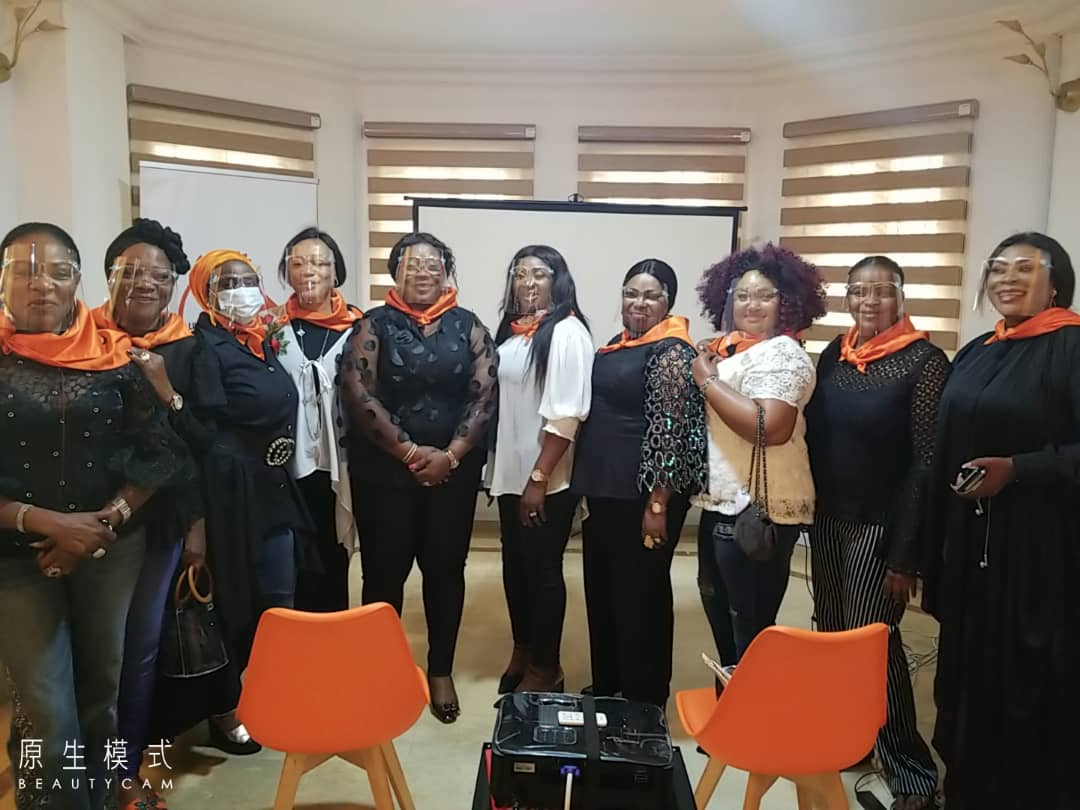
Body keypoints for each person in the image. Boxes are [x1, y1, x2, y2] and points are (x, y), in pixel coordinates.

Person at [0, 222, 188, 810]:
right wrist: (50, 524)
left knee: (102, 688)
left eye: (58, 272)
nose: (42, 284)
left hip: (111, 549)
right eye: (25, 271)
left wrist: (104, 521)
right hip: (17, 559)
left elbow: (161, 454)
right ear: (2, 282)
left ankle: (104, 795)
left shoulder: (114, 357)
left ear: (78, 282)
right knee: (45, 703)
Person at [921, 233, 1080, 810]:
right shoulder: (978, 350)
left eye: (1024, 268)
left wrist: (1019, 469)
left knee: (1028, 677)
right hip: (970, 543)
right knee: (968, 670)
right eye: (998, 269)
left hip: (1040, 550)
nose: (1007, 279)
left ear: (1055, 282)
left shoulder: (1071, 347)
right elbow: (942, 447)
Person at [805, 255, 946, 810]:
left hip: (882, 527)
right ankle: (852, 739)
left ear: (901, 296)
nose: (869, 301)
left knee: (873, 647)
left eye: (882, 290)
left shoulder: (924, 362)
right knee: (832, 637)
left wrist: (906, 555)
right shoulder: (833, 356)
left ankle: (913, 772)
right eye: (859, 291)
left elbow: (927, 463)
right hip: (828, 521)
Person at [338, 232, 497, 724]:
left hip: (452, 475)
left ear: (446, 272)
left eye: (433, 265)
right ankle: (378, 670)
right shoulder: (373, 324)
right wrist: (408, 451)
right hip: (383, 474)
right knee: (382, 575)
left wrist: (451, 456)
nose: (423, 273)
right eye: (412, 264)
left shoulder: (469, 326)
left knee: (445, 573)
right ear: (395, 272)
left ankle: (440, 670)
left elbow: (484, 395)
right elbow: (358, 391)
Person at [167, 249, 311, 753]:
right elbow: (197, 431)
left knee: (280, 598)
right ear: (204, 291)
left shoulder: (257, 340)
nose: (241, 290)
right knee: (235, 604)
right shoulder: (202, 347)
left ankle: (270, 691)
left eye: (248, 280)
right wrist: (169, 398)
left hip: (272, 487)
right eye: (227, 283)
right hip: (229, 492)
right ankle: (225, 709)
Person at [94, 218, 209, 809]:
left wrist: (196, 527)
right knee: (82, 652)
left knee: (136, 650)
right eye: (131, 271)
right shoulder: (74, 338)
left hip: (157, 521)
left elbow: (200, 444)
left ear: (172, 288)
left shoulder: (187, 348)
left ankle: (123, 768)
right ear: (108, 275)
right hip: (77, 518)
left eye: (159, 276)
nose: (145, 283)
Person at [571, 258, 707, 709]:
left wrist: (658, 502)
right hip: (606, 491)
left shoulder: (673, 351)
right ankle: (609, 683)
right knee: (604, 589)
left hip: (645, 496)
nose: (639, 303)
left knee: (640, 595)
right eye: (631, 293)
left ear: (668, 301)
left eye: (651, 295)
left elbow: (673, 429)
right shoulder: (617, 344)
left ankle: (644, 696)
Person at [691, 244, 823, 664]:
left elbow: (770, 427)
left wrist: (707, 381)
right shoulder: (735, 350)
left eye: (765, 296)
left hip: (758, 511)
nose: (752, 304)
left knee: (749, 634)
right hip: (723, 505)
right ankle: (732, 703)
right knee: (726, 627)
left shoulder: (783, 353)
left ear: (788, 302)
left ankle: (753, 706)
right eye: (743, 295)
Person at [489, 245, 592, 694]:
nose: (528, 282)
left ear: (558, 280)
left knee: (543, 571)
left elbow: (567, 414)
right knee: (515, 568)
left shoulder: (567, 332)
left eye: (539, 274)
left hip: (547, 478)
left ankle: (546, 667)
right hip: (512, 473)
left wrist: (539, 476)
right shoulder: (513, 332)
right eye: (520, 273)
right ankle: (523, 648)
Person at [276, 227, 361, 612]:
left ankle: (332, 636)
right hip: (285, 464)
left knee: (332, 556)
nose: (308, 270)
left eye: (319, 262)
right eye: (298, 263)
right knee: (293, 559)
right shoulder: (270, 327)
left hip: (340, 463)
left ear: (335, 271)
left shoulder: (358, 328)